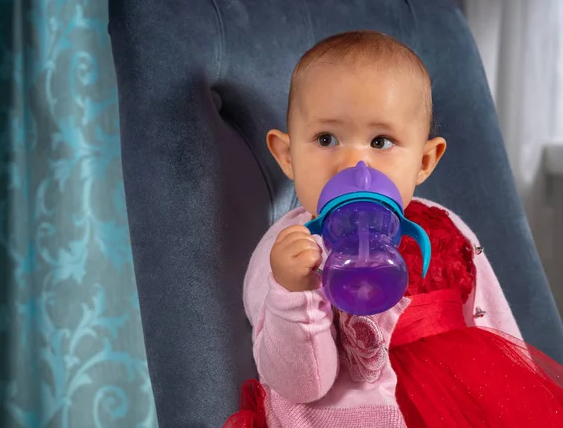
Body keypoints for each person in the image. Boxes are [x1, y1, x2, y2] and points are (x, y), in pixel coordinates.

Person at [224, 30, 563, 428]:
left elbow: (493, 328)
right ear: (287, 155)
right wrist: (292, 292)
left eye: (381, 141)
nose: (355, 165)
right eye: (326, 138)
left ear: (424, 159)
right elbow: (299, 384)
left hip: (455, 404)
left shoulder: (446, 230)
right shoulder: (287, 254)